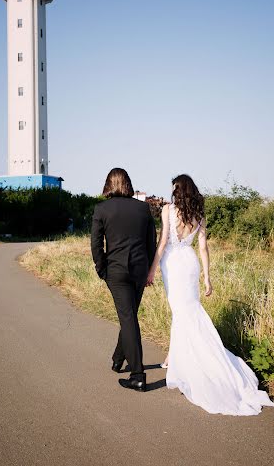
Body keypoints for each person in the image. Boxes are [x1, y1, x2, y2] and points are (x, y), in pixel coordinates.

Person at [146, 174, 274, 415]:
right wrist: (206, 277)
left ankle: (184, 362)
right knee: (185, 313)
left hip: (173, 264)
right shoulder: (199, 215)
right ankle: (173, 356)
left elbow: (162, 243)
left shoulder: (168, 211)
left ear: (177, 191)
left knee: (181, 313)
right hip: (191, 264)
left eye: (174, 189)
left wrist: (151, 271)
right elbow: (203, 247)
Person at [91, 168, 157, 392]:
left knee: (128, 317)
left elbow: (96, 244)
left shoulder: (102, 209)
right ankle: (119, 359)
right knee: (129, 315)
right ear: (128, 183)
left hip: (116, 271)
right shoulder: (143, 208)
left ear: (108, 184)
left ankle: (137, 375)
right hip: (139, 269)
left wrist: (102, 269)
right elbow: (151, 242)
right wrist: (148, 270)